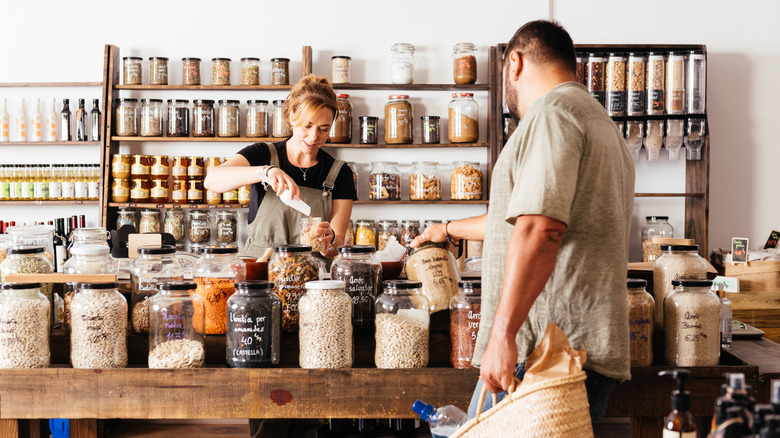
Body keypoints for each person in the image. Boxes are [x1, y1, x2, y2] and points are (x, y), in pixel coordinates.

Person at [412, 20, 635, 424]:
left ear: (514, 62)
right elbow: (516, 221)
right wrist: (445, 231)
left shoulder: (552, 114)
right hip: (578, 344)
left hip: (543, 348)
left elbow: (540, 230)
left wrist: (503, 335)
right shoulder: (600, 122)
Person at [204, 74, 356, 438]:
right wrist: (265, 173)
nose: (314, 137)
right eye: (306, 125)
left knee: (312, 371)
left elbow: (339, 234)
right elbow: (213, 180)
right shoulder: (263, 155)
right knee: (264, 374)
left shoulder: (339, 173)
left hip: (311, 290)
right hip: (260, 287)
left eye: (323, 128)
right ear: (290, 117)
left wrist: (329, 234)